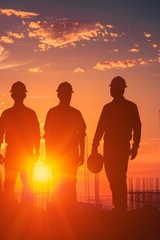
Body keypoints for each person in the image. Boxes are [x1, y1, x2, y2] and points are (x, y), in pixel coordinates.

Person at [92, 76, 141, 212]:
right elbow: (100, 127)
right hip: (114, 146)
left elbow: (137, 126)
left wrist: (136, 145)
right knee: (113, 175)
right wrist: (95, 144)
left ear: (117, 90)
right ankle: (119, 204)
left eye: (112, 88)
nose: (111, 91)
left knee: (118, 175)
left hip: (117, 146)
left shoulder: (128, 107)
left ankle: (121, 206)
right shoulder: (110, 108)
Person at [0, 81, 40, 203]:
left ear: (12, 96)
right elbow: (37, 135)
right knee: (26, 184)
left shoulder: (8, 113)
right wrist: (37, 152)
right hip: (25, 154)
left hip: (16, 154)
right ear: (24, 95)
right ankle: (26, 211)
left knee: (11, 185)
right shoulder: (30, 114)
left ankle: (11, 211)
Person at [44, 82, 86, 210]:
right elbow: (81, 135)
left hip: (60, 155)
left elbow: (47, 136)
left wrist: (48, 155)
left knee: (61, 182)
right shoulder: (75, 113)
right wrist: (81, 153)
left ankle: (62, 210)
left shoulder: (52, 113)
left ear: (58, 95)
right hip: (67, 155)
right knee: (68, 183)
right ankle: (67, 210)